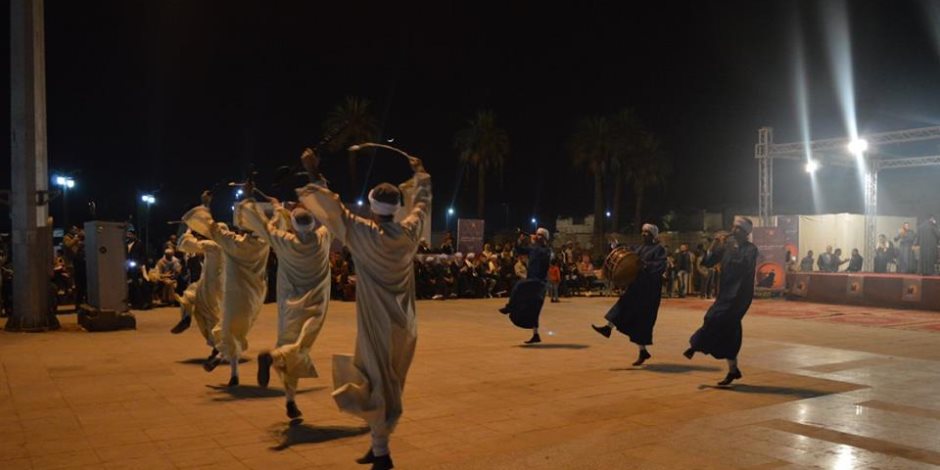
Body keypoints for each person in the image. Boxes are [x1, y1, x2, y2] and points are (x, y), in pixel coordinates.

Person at [297, 147, 430, 470]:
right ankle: (377, 442)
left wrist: (314, 173)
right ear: (397, 209)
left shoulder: (362, 233)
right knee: (384, 380)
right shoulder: (410, 231)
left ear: (372, 208)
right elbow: (422, 203)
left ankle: (382, 455)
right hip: (404, 324)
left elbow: (332, 210)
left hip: (375, 323)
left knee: (377, 381)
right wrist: (420, 174)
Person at [245, 187, 332, 423]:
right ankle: (273, 359)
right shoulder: (323, 238)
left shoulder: (285, 241)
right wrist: (311, 195)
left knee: (290, 345)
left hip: (289, 307)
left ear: (292, 226)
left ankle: (291, 401)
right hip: (315, 305)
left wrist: (259, 204)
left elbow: (265, 227)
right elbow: (328, 214)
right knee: (299, 348)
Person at [183, 190, 270, 387]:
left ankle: (231, 368)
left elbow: (210, 227)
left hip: (235, 295)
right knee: (237, 332)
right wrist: (253, 200)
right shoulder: (265, 243)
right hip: (255, 297)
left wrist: (205, 205)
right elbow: (275, 225)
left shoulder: (232, 243)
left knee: (229, 331)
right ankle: (228, 365)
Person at [684, 217, 759, 386]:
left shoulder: (751, 249)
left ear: (746, 233)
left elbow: (743, 265)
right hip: (725, 293)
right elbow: (708, 262)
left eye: (738, 229)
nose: (733, 230)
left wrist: (731, 247)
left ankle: (696, 345)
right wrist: (713, 245)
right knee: (729, 330)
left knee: (713, 317)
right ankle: (733, 370)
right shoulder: (726, 247)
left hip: (740, 296)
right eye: (733, 227)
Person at [590, 224, 667, 366]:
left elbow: (661, 266)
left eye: (647, 232)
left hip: (649, 291)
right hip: (636, 286)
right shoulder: (638, 248)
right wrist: (616, 245)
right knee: (623, 306)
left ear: (653, 235)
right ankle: (608, 328)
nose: (644, 234)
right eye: (643, 232)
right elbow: (626, 255)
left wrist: (645, 264)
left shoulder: (659, 250)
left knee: (642, 321)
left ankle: (642, 351)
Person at [171, 229, 223, 366]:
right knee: (189, 297)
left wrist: (188, 230)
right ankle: (186, 317)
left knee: (209, 318)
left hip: (210, 286)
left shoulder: (213, 245)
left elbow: (185, 244)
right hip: (211, 284)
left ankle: (218, 346)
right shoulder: (228, 247)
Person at [498, 228, 553, 344]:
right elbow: (519, 250)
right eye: (536, 234)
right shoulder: (534, 248)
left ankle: (509, 306)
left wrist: (534, 242)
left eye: (539, 235)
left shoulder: (547, 250)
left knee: (519, 286)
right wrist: (520, 240)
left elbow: (541, 253)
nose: (536, 236)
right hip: (532, 279)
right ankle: (536, 334)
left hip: (539, 282)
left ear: (544, 238)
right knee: (534, 308)